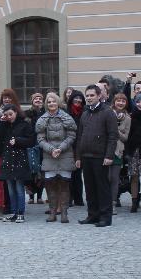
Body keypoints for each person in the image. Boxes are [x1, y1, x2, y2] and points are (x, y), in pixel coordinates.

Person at [76, 84, 119, 227]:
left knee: (102, 188)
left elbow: (113, 136)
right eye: (87, 96)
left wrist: (109, 155)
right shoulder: (85, 113)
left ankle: (105, 217)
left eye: (92, 95)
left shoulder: (108, 112)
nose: (89, 98)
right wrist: (78, 157)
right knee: (89, 188)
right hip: (86, 155)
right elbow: (80, 136)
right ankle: (92, 215)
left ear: (99, 96)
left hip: (101, 156)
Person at [36, 92, 77, 223]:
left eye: (53, 101)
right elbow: (40, 139)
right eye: (49, 102)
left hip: (65, 154)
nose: (51, 104)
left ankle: (64, 213)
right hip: (49, 156)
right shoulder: (42, 120)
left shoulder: (67, 118)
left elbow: (71, 136)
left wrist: (61, 148)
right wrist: (51, 149)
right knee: (50, 186)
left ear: (58, 103)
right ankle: (52, 212)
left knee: (64, 185)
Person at [0, 104, 35, 223]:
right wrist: (2, 123)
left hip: (20, 159)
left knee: (19, 188)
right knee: (10, 189)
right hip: (8, 159)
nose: (9, 117)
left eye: (10, 114)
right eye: (6, 115)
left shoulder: (24, 125)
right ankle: (13, 212)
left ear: (16, 113)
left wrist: (18, 141)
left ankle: (20, 213)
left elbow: (31, 141)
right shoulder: (5, 125)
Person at [108, 93, 132, 214]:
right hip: (106, 150)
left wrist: (115, 130)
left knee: (114, 178)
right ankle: (104, 202)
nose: (120, 103)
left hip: (118, 151)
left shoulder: (127, 118)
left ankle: (112, 203)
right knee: (105, 177)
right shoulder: (107, 113)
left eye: (123, 101)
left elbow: (125, 138)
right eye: (118, 100)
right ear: (114, 102)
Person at [66, 90, 87, 207]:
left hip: (81, 146)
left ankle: (78, 198)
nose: (78, 100)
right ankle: (69, 198)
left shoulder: (84, 112)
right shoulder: (66, 112)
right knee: (69, 174)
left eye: (80, 99)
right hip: (69, 146)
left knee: (78, 174)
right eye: (76, 98)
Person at [26, 92, 46, 205]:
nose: (38, 100)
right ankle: (30, 196)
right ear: (32, 101)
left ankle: (39, 196)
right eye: (35, 98)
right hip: (30, 145)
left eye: (40, 98)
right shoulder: (27, 113)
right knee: (30, 172)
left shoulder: (45, 113)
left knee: (41, 171)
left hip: (41, 145)